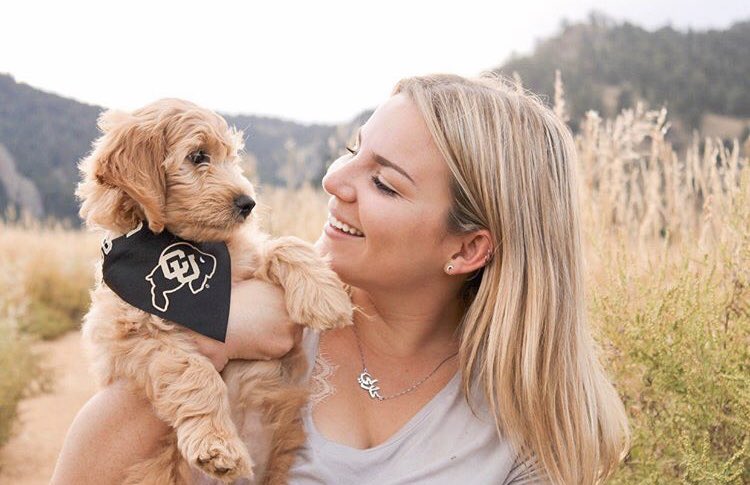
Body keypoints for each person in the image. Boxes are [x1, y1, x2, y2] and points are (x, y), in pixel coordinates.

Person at [51, 74, 630, 484]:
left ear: (468, 248)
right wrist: (211, 334)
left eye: (385, 183)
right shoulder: (256, 307)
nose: (335, 182)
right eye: (353, 150)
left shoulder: (524, 421)